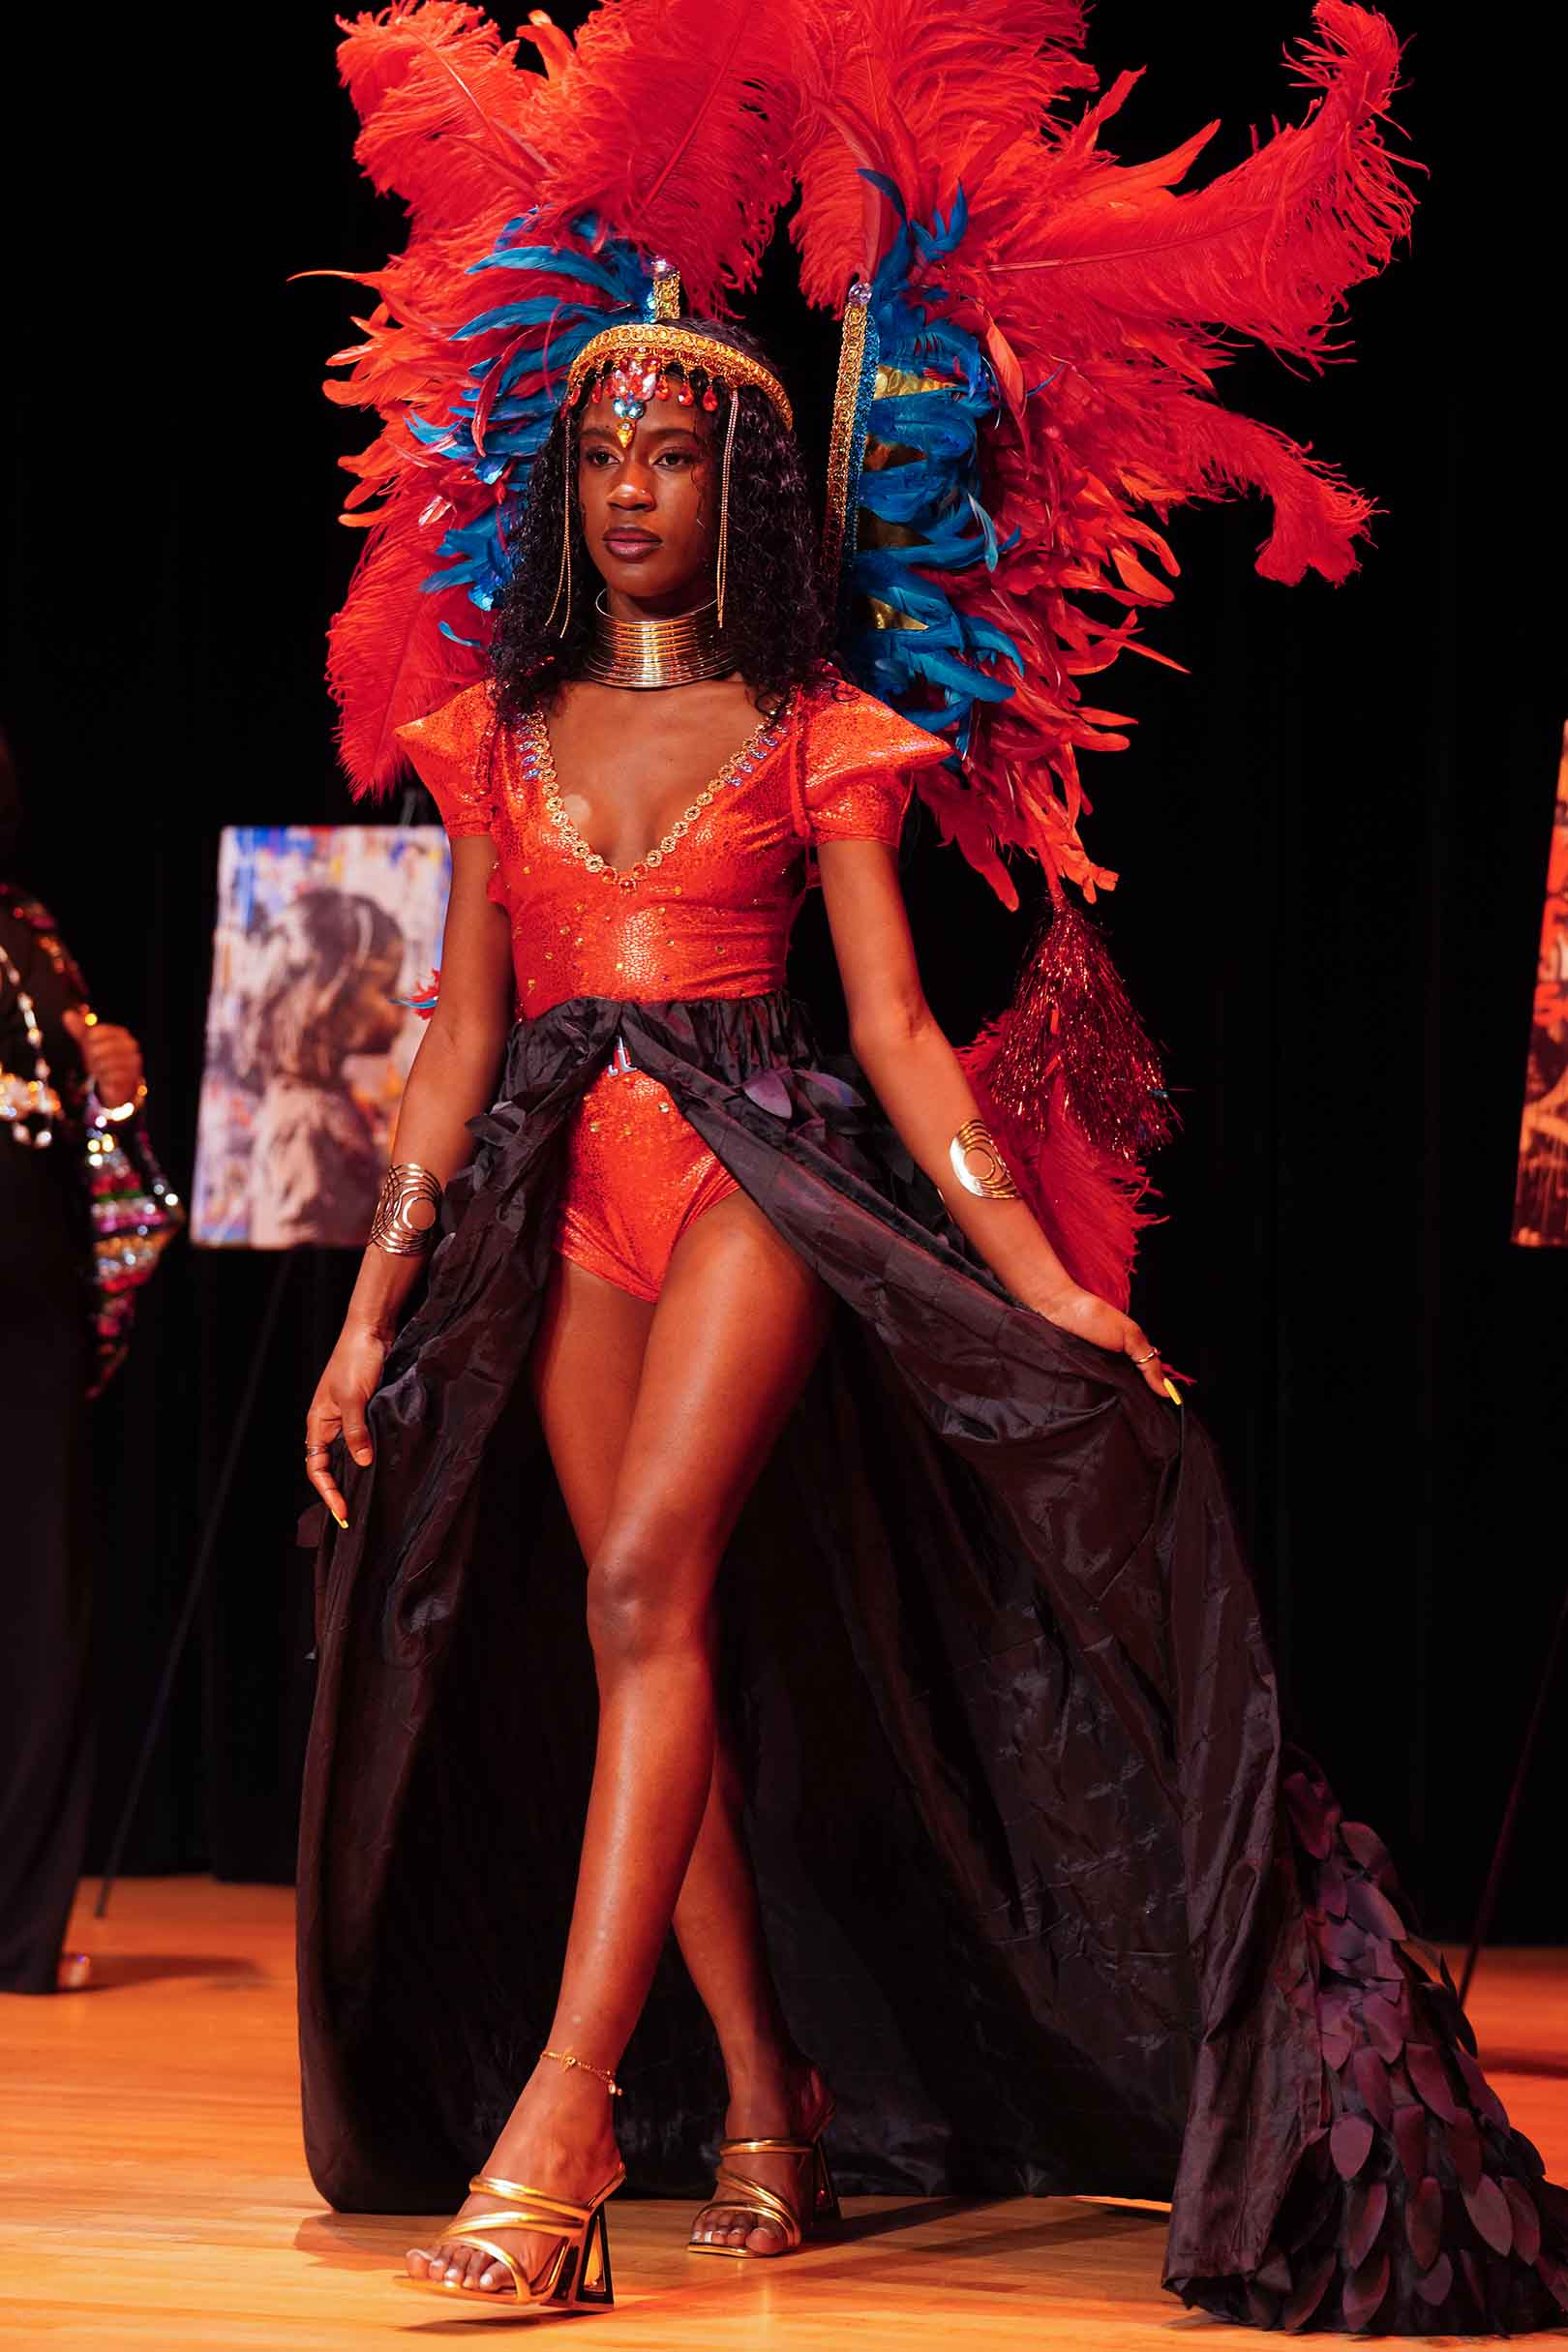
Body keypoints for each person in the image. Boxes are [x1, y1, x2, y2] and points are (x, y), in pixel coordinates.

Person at [297, 6, 1568, 2334]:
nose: (634, 487)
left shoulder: (822, 733)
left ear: (745, 490)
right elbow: (459, 1043)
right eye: (604, 451)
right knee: (634, 1626)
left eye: (678, 452)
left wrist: (1047, 1284)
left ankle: (563, 2130)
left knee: (651, 1572)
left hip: (749, 1173)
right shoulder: (491, 731)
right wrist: (373, 1313)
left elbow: (892, 1036)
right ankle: (762, 2089)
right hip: (551, 1194)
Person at [0, 733, 149, 1993]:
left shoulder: (32, 930)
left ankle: (19, 1929)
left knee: (41, 1608)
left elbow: (92, 1125)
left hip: (35, 1304)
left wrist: (118, 1080)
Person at [234, 890, 407, 1249]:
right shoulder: (302, 1121)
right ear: (332, 997)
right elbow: (300, 1244)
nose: (403, 1003)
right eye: (386, 988)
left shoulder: (330, 1100)